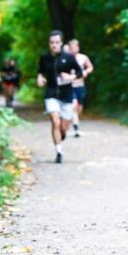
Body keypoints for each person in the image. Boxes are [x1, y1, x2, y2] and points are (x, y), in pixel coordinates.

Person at [37, 31, 83, 164]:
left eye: (57, 42)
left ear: (61, 43)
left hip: (66, 95)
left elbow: (79, 72)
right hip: (51, 94)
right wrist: (40, 79)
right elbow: (40, 72)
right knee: (55, 120)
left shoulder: (69, 57)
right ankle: (59, 152)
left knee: (63, 127)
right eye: (52, 42)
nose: (54, 45)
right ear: (49, 44)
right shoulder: (44, 58)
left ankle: (61, 134)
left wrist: (71, 77)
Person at [67, 39, 94, 137]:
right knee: (74, 106)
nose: (73, 49)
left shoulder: (83, 57)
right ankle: (76, 129)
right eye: (71, 48)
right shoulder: (67, 58)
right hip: (70, 86)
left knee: (79, 108)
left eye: (75, 47)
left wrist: (86, 72)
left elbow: (90, 67)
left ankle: (74, 120)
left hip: (80, 86)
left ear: (78, 48)